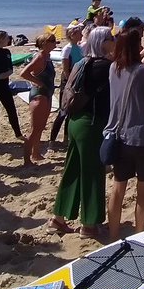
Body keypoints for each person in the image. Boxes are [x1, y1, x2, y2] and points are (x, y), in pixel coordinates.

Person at [51, 25, 113, 237]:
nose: (113, 41)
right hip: (92, 123)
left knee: (73, 169)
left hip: (75, 120)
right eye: (109, 38)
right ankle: (89, 223)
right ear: (102, 42)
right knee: (93, 172)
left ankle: (58, 217)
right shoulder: (105, 66)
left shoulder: (81, 62)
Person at [105, 18, 144, 242]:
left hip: (119, 136)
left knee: (118, 187)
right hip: (142, 136)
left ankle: (113, 235)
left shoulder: (113, 68)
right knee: (143, 191)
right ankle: (138, 233)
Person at [21, 32, 58, 165]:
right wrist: (38, 82)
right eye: (52, 40)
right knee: (34, 129)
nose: (55, 42)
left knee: (41, 127)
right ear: (44, 43)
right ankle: (26, 159)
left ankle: (36, 153)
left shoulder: (47, 56)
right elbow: (24, 73)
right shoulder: (40, 57)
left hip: (47, 93)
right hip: (39, 95)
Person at [50, 23, 84, 148]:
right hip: (68, 82)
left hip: (77, 81)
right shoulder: (67, 49)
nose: (81, 34)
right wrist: (71, 82)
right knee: (63, 112)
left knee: (71, 112)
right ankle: (52, 141)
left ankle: (66, 138)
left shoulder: (79, 48)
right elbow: (65, 69)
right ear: (72, 35)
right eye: (79, 33)